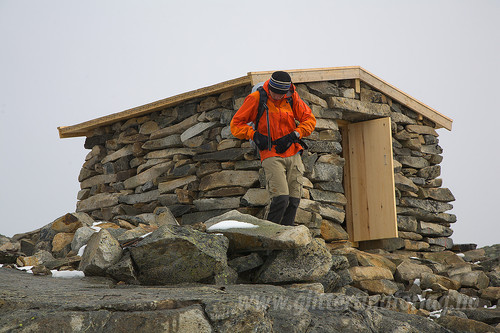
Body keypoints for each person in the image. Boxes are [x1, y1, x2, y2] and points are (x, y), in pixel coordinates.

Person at [230, 71, 316, 225]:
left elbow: (309, 119)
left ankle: (286, 237)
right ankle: (271, 238)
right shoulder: (257, 98)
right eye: (274, 92)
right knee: (280, 199)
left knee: (294, 200)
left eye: (280, 94)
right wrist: (254, 135)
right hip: (270, 152)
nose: (276, 96)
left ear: (287, 90)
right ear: (269, 87)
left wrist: (295, 135)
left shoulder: (291, 96)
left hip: (293, 150)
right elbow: (236, 124)